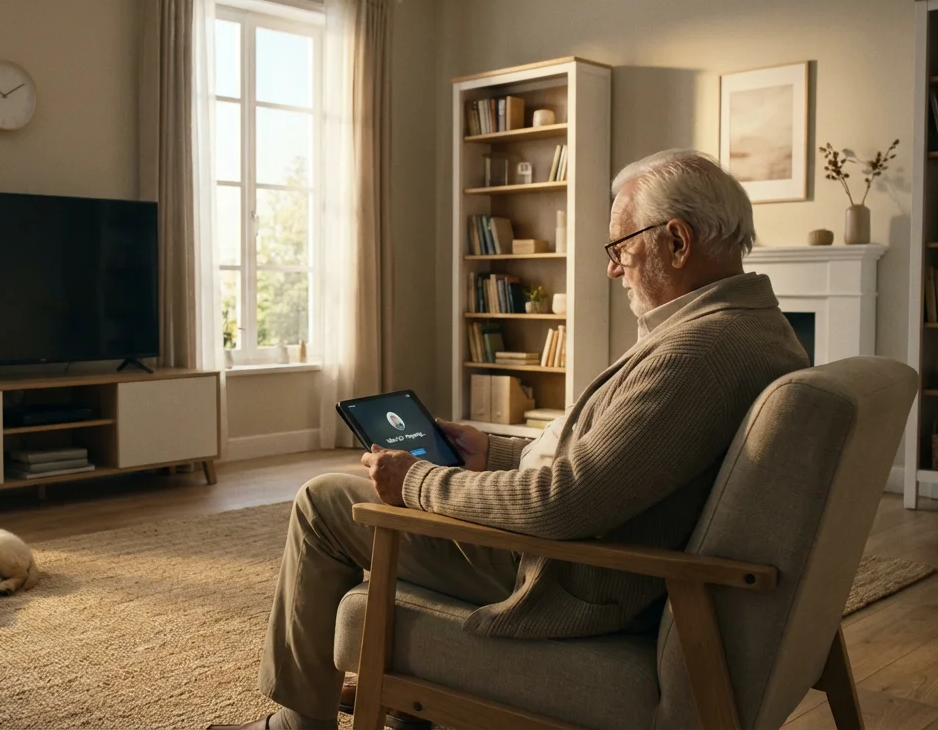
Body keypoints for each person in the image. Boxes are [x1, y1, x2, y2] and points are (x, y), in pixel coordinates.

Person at [209, 149, 809, 730]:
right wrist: (493, 453)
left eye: (621, 246)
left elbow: (561, 501)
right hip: (591, 548)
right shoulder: (751, 329)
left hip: (563, 575)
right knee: (363, 488)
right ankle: (404, 685)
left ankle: (295, 724)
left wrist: (416, 481)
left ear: (676, 242)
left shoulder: (696, 352)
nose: (612, 267)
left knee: (322, 500)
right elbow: (620, 463)